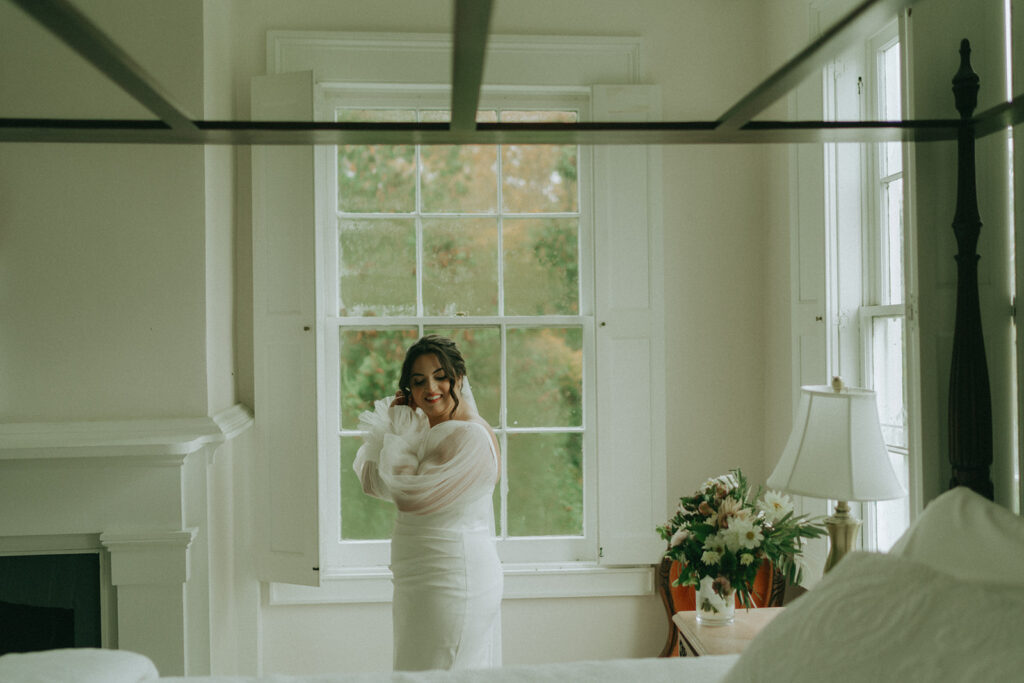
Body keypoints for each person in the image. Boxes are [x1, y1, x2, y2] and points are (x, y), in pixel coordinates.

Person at [353, 335, 503, 671]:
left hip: (452, 578)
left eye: (441, 376)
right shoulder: (425, 431)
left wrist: (401, 436)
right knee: (414, 669)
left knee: (439, 671)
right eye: (418, 381)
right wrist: (397, 428)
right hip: (416, 579)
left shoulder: (470, 437)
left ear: (459, 379)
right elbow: (372, 481)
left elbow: (410, 497)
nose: (430, 388)